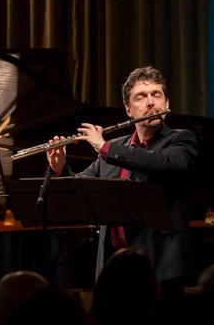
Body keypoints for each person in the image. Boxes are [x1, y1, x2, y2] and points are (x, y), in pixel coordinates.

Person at [46, 66, 199, 294]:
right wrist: (60, 169)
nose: (151, 102)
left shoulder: (181, 140)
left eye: (156, 95)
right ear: (129, 109)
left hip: (161, 269)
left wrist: (105, 147)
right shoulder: (115, 147)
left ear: (166, 103)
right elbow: (81, 187)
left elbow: (163, 163)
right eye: (141, 97)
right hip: (113, 267)